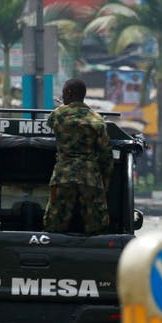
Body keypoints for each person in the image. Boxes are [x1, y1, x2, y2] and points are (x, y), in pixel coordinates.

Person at [44, 78, 113, 235]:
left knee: (55, 223)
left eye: (63, 93)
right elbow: (106, 155)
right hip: (90, 177)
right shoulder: (97, 119)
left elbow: (52, 121)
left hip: (63, 176)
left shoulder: (58, 115)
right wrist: (105, 181)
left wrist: (62, 106)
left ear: (69, 92)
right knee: (97, 226)